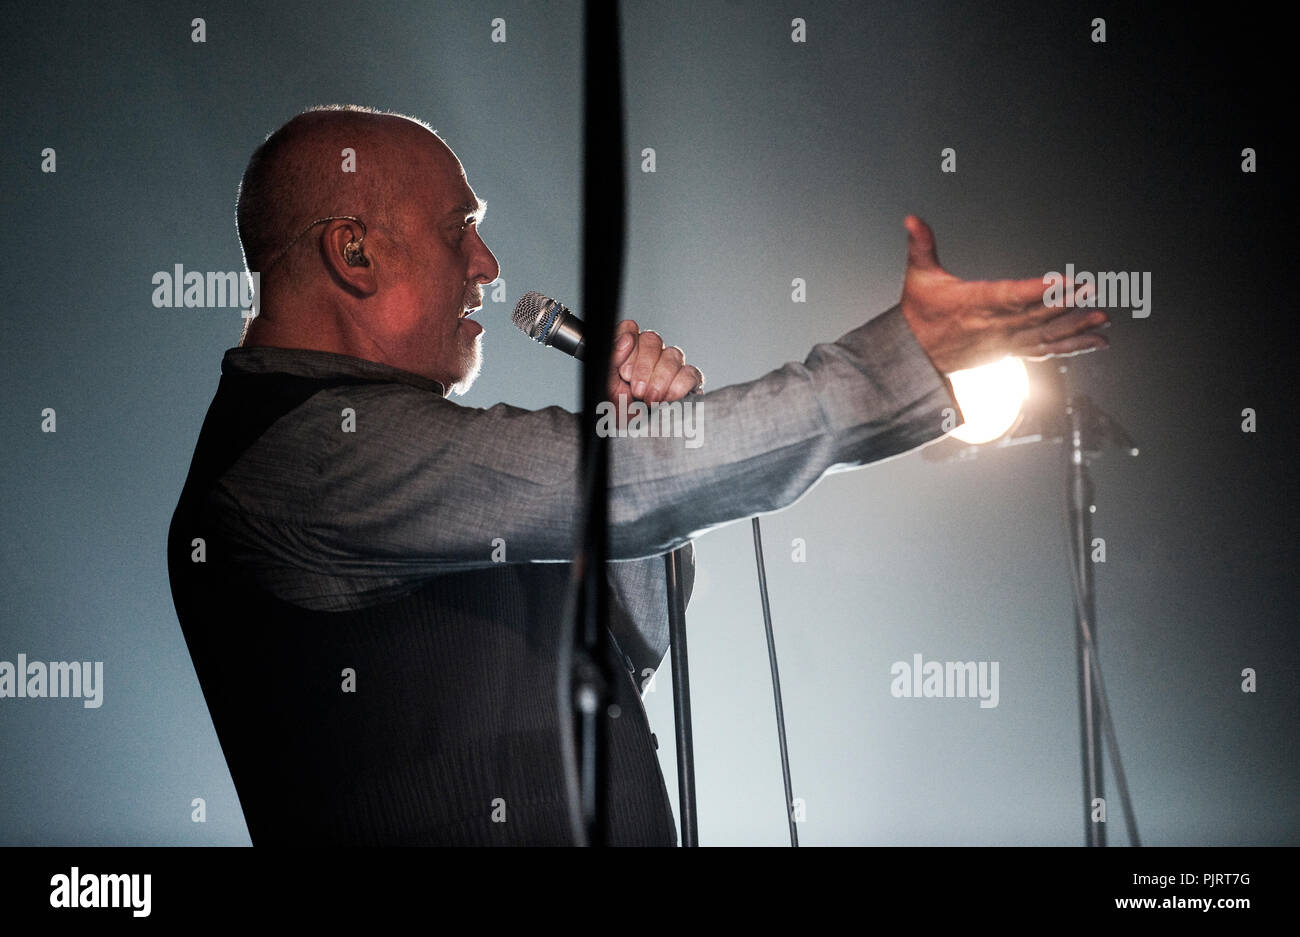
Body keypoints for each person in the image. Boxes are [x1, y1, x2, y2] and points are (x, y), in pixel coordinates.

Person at [167, 105, 1108, 846]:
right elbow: (615, 490)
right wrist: (898, 363)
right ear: (355, 251)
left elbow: (625, 650)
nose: (488, 267)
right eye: (462, 229)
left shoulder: (395, 455)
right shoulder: (308, 454)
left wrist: (646, 444)